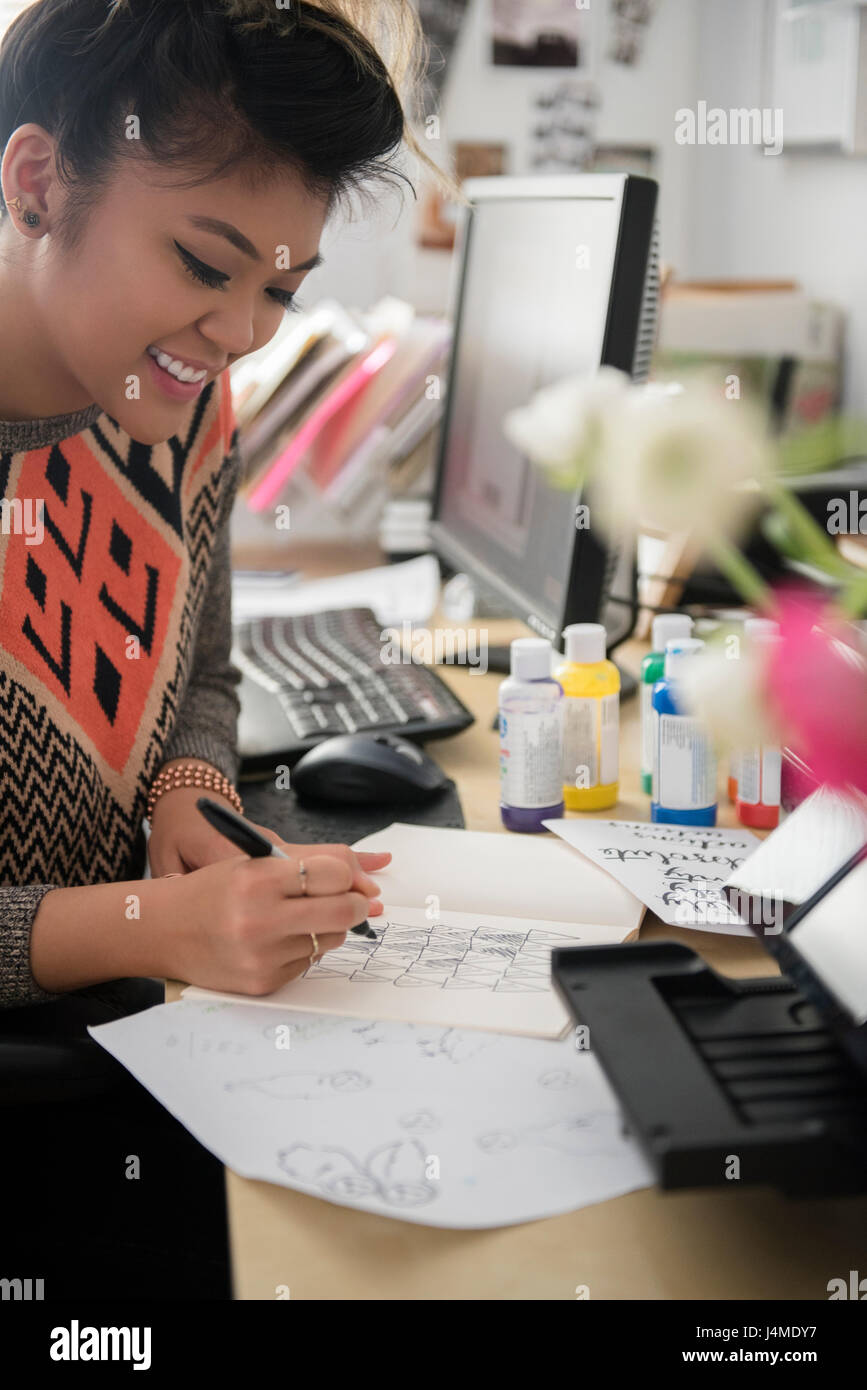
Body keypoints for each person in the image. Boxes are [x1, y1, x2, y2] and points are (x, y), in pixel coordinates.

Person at [0, 0, 450, 1298]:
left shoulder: (182, 399)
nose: (243, 328)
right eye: (206, 265)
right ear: (38, 185)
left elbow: (198, 671)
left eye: (280, 288)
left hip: (144, 1036)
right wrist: (149, 919)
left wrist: (190, 790)